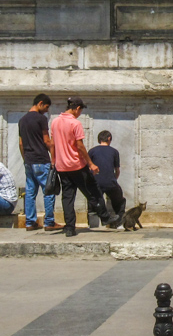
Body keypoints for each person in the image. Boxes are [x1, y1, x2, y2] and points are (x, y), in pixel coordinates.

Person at [50, 97, 121, 237]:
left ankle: (70, 227)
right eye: (80, 110)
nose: (80, 113)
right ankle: (106, 218)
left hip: (62, 166)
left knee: (67, 197)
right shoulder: (75, 123)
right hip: (76, 165)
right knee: (93, 192)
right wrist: (91, 163)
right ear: (77, 108)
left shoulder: (55, 122)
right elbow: (80, 146)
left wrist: (54, 161)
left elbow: (52, 144)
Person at [18, 93, 62, 232]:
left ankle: (30, 222)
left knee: (30, 192)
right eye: (46, 107)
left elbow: (20, 143)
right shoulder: (41, 119)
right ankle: (49, 222)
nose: (47, 110)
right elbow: (47, 141)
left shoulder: (22, 120)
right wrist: (53, 158)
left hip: (29, 161)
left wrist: (25, 159)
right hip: (41, 160)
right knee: (48, 190)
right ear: (40, 103)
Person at [88, 130, 126, 220]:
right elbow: (117, 170)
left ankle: (93, 222)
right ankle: (120, 219)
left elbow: (88, 168)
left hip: (95, 182)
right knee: (119, 200)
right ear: (109, 139)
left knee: (93, 200)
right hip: (110, 182)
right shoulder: (114, 152)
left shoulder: (92, 151)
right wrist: (114, 179)